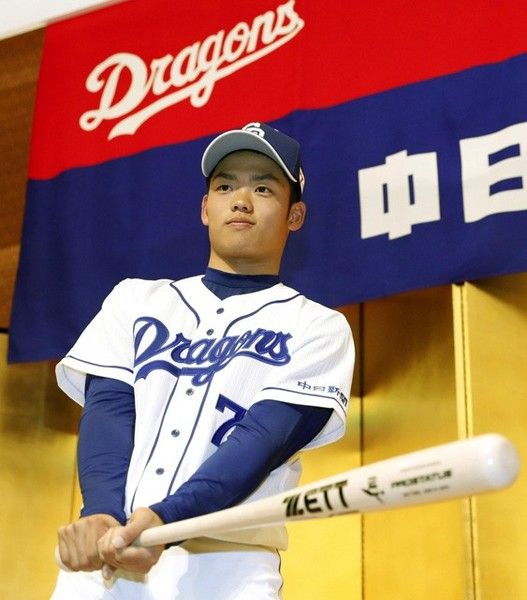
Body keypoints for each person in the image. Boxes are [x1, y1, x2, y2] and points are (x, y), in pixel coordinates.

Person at [52, 121, 355, 599]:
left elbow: (260, 442)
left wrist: (166, 519)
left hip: (225, 568)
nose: (241, 200)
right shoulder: (135, 300)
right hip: (106, 558)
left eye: (263, 188)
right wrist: (102, 513)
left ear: (295, 215)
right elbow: (109, 412)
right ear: (204, 208)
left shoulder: (318, 328)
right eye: (225, 186)